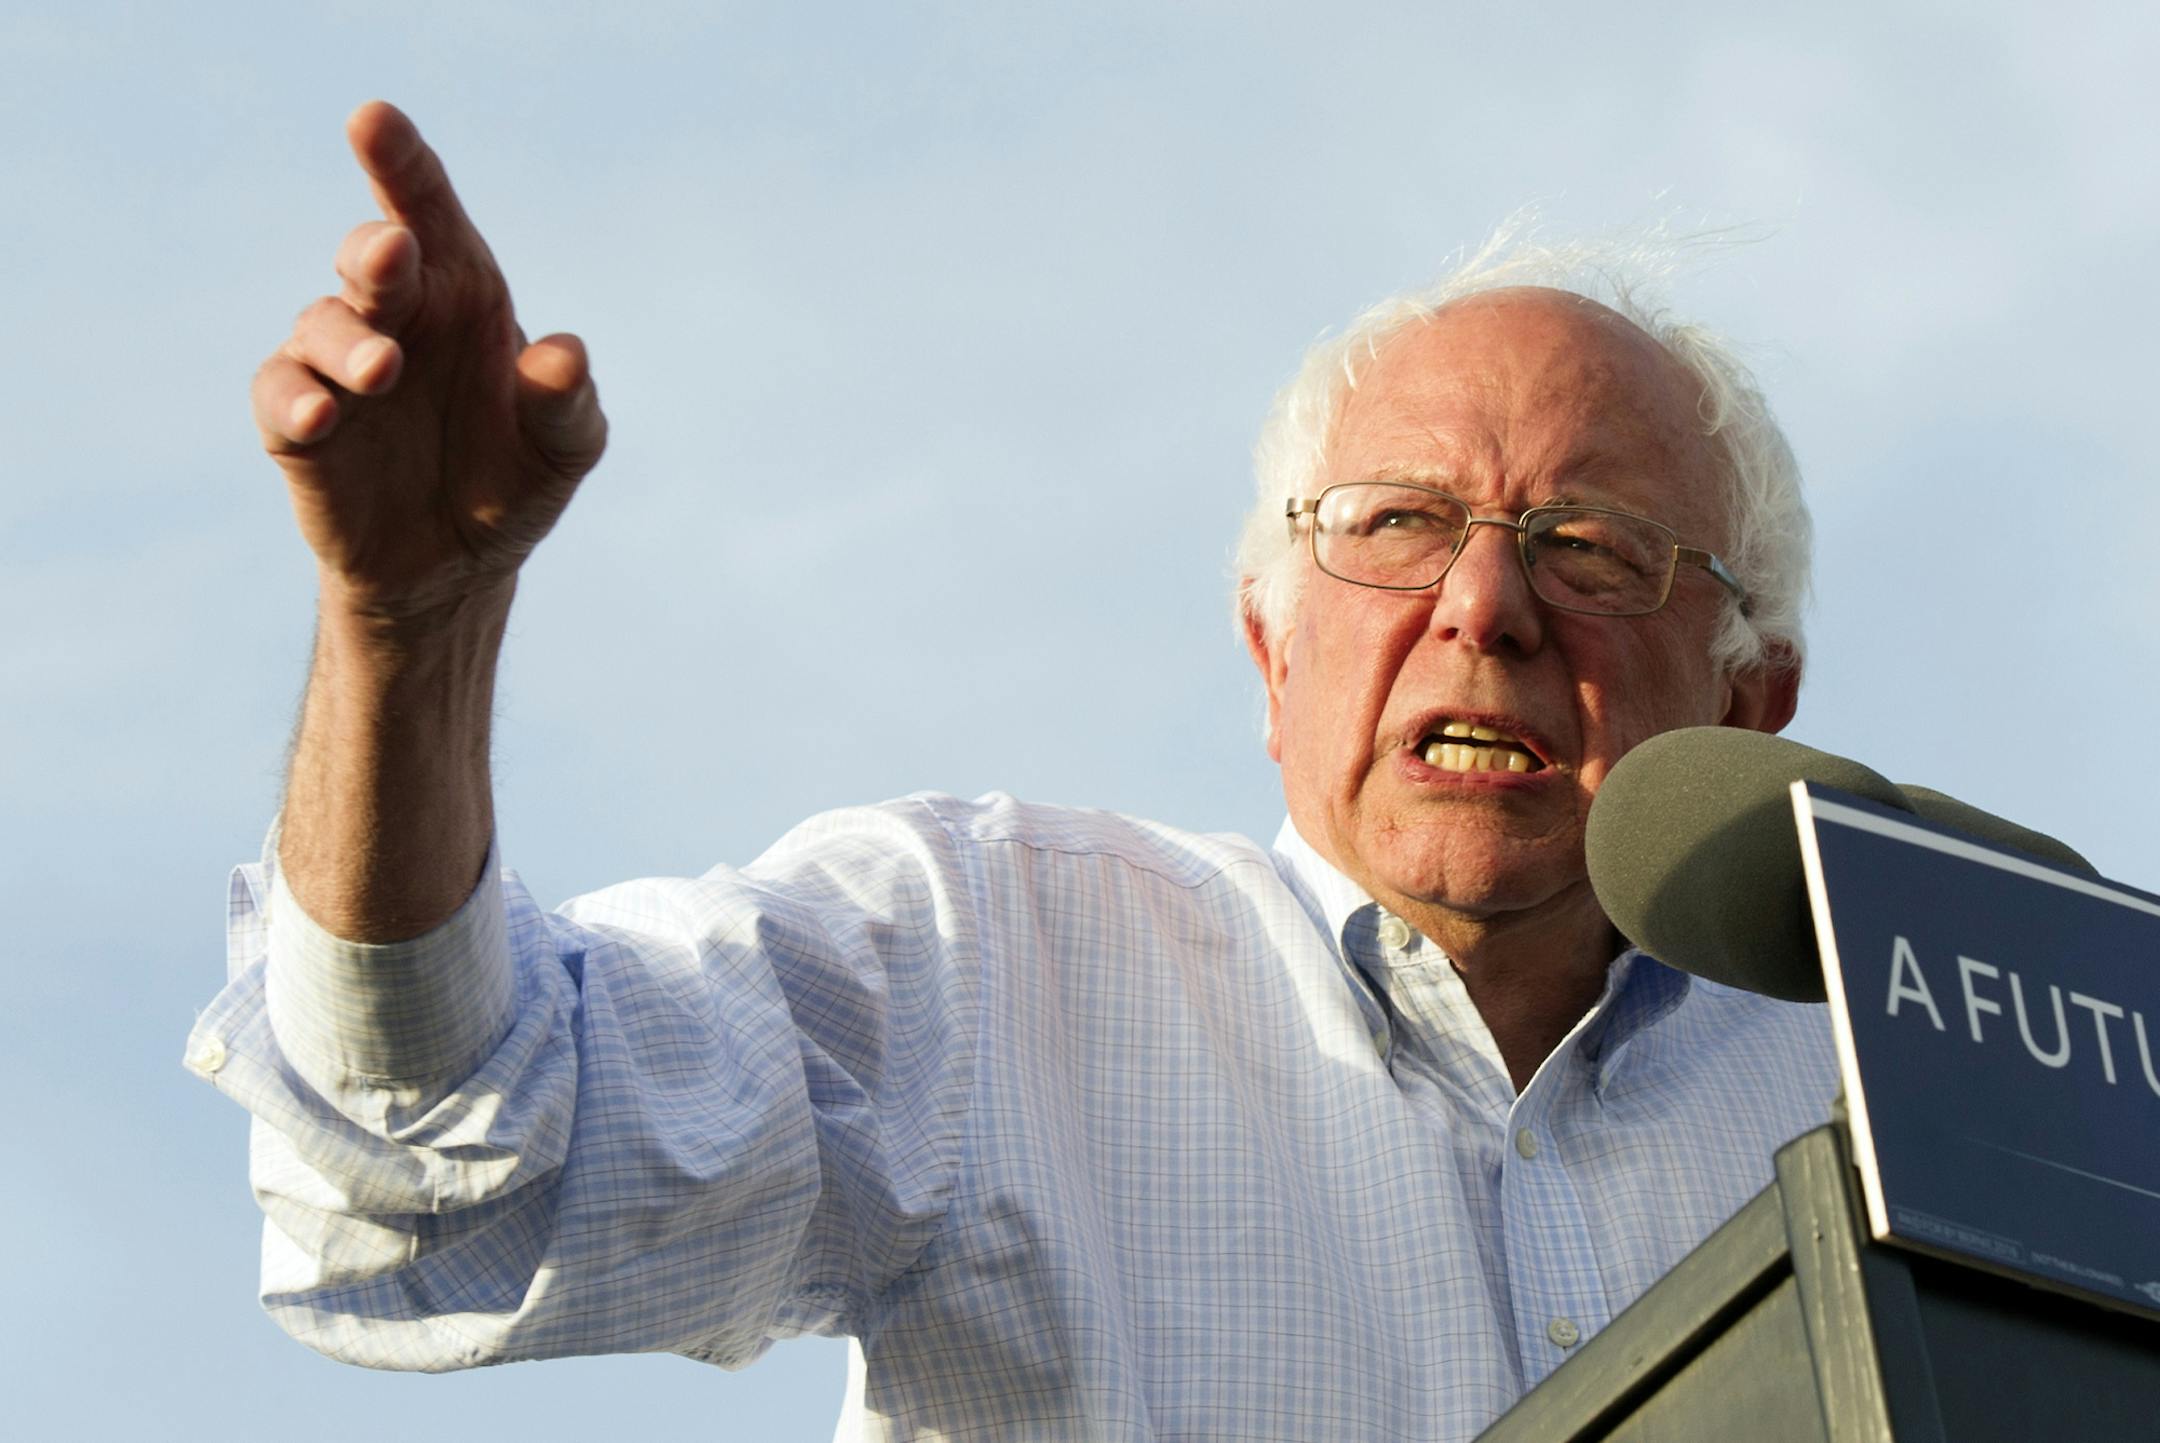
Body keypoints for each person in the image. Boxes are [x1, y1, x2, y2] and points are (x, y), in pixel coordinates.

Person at [189, 102, 1836, 1441]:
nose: (1486, 606)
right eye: (1397, 526)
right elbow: (442, 1158)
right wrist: (407, 638)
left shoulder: (1886, 1090)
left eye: (1597, 547)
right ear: (1273, 655)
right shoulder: (985, 963)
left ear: (1749, 699)